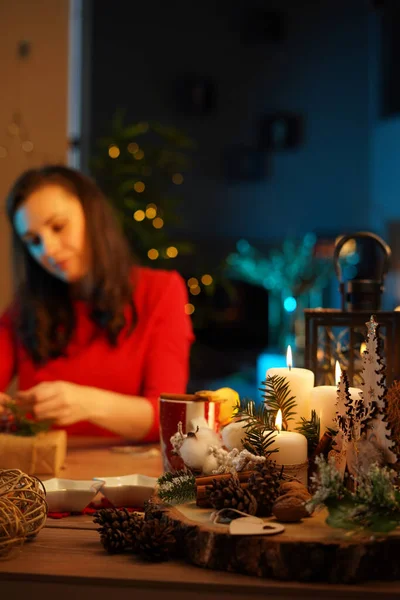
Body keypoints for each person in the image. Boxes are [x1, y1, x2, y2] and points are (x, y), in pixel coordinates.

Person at [0, 165, 194, 443]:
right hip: (40, 480)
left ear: (91, 214)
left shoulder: (159, 291)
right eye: (33, 241)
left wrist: (86, 403)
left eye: (58, 227)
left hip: (129, 478)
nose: (48, 250)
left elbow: (171, 416)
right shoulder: (26, 307)